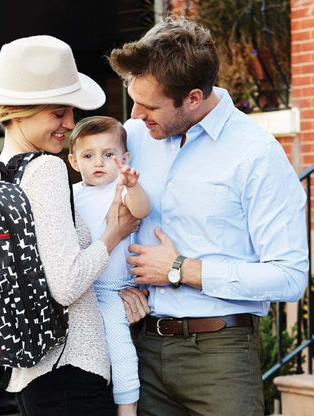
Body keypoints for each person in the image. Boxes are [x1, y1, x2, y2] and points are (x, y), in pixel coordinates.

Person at [107, 16, 309, 416]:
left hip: (219, 359)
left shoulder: (256, 152)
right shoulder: (134, 138)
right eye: (134, 100)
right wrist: (118, 288)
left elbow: (290, 276)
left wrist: (182, 269)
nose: (136, 114)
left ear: (193, 98)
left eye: (150, 106)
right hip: (140, 350)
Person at [0, 35, 140, 416]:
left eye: (70, 112)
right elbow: (66, 284)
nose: (69, 124)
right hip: (71, 368)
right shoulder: (45, 168)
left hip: (31, 371)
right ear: (19, 111)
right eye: (57, 112)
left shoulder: (2, 171)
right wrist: (114, 233)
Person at [68, 116, 150, 416]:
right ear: (74, 161)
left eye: (108, 154)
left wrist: (133, 185)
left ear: (124, 159)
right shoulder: (71, 194)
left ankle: (127, 408)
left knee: (120, 348)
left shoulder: (121, 188)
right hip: (83, 287)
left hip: (115, 290)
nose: (98, 162)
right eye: (88, 156)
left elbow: (142, 210)